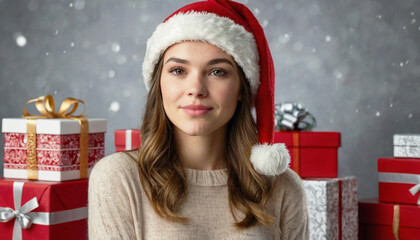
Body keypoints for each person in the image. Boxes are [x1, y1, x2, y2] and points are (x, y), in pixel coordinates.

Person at [88, 0, 309, 239]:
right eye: (178, 71)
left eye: (217, 72)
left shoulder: (284, 188)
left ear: (242, 90)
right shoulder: (118, 179)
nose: (196, 89)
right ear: (159, 84)